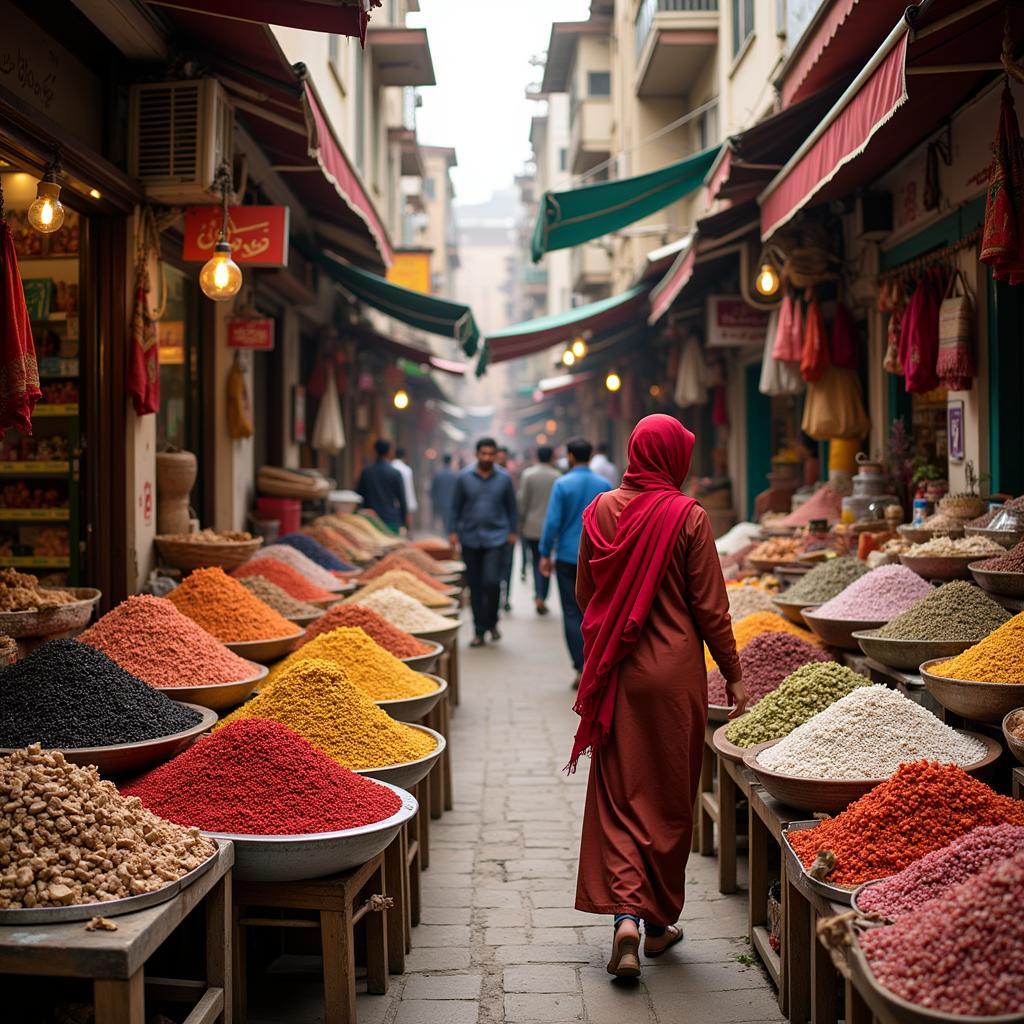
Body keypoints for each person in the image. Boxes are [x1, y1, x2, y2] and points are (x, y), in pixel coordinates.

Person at [569, 414, 746, 980]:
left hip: (617, 675)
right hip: (674, 680)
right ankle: (658, 924)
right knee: (669, 799)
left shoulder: (598, 511)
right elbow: (711, 609)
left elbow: (584, 593)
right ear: (674, 458)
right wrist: (734, 672)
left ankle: (624, 917)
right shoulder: (688, 516)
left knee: (620, 795)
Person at [538, 438, 612, 686]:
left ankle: (581, 669)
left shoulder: (562, 484)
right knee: (597, 609)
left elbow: (552, 523)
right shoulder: (604, 484)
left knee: (571, 611)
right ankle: (597, 664)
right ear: (590, 456)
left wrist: (545, 552)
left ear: (569, 457)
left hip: (569, 557)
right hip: (598, 556)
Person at [448, 437, 518, 647]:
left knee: (492, 581)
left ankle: (492, 621)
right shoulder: (464, 478)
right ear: (477, 454)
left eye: (491, 454)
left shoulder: (504, 479)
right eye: (483, 454)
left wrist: (513, 531)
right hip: (470, 537)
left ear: (495, 455)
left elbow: (511, 508)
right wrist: (452, 531)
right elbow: (455, 507)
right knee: (475, 585)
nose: (487, 457)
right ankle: (479, 629)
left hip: (496, 537)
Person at [517, 446, 561, 615]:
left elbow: (523, 501)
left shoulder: (528, 475)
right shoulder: (557, 476)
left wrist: (521, 521)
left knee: (536, 561)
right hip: (552, 526)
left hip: (532, 526)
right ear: (551, 457)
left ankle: (538, 595)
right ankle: (543, 595)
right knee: (547, 561)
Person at [355, 439, 407, 531]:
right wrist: (403, 523)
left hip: (370, 521)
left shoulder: (366, 472)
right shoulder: (395, 473)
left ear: (374, 451)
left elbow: (358, 496)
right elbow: (402, 500)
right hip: (390, 520)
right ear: (389, 452)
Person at [495, 446, 516, 611]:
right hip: (490, 533)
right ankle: (496, 598)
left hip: (505, 531)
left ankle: (506, 597)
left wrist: (513, 530)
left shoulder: (508, 477)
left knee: (507, 566)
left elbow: (513, 506)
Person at [430, 454, 458, 532]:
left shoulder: (438, 475)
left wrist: (434, 501)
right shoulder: (455, 475)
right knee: (447, 523)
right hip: (451, 504)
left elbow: (433, 490)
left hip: (439, 503)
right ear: (451, 462)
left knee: (439, 523)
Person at [392, 447, 418, 528]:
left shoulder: (390, 467)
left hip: (392, 503)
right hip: (405, 501)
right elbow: (409, 490)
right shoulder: (407, 470)